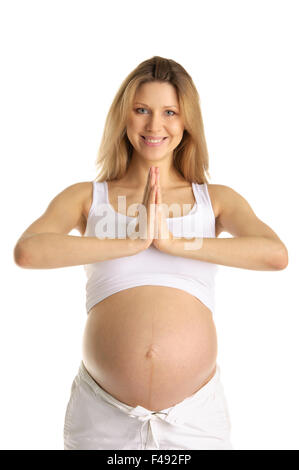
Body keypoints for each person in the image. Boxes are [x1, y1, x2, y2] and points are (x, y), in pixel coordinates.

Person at [13, 56, 288, 450]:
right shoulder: (87, 196)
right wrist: (131, 241)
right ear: (123, 118)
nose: (154, 125)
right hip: (103, 416)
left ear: (186, 121)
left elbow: (275, 255)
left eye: (169, 112)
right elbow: (29, 251)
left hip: (194, 417)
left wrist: (173, 242)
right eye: (141, 110)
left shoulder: (216, 199)